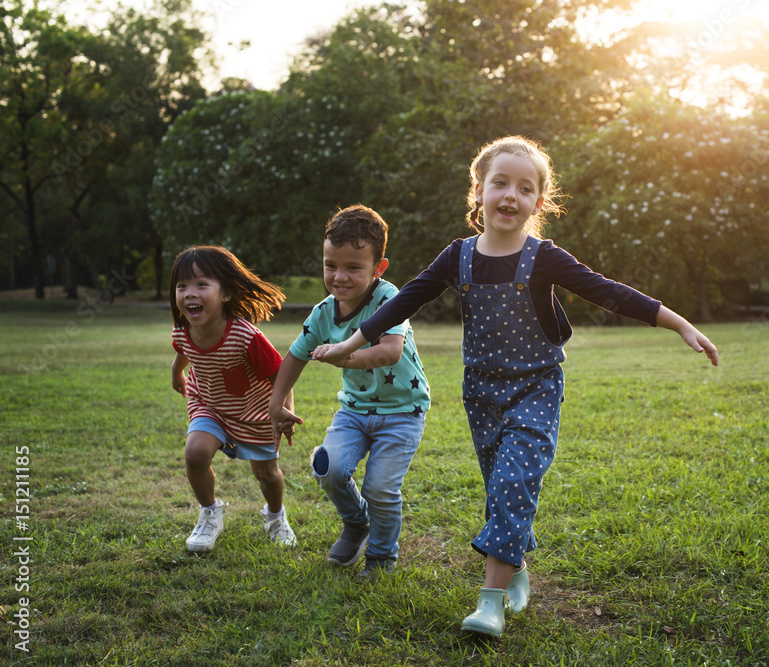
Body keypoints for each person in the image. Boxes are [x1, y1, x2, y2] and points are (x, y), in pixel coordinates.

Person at [316, 136, 719, 637]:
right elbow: (402, 304)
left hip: (536, 388)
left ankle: (490, 603)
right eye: (499, 183)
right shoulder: (457, 257)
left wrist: (678, 322)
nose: (510, 195)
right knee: (500, 488)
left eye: (524, 188)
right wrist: (347, 343)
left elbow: (607, 292)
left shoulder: (543, 257)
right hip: (481, 392)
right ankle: (518, 568)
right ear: (479, 191)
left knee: (513, 482)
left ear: (538, 202)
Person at [268, 205, 430, 579]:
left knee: (380, 488)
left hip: (403, 412)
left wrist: (345, 357)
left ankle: (381, 558)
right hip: (354, 411)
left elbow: (389, 351)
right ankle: (357, 523)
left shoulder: (391, 298)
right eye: (330, 265)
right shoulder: (325, 311)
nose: (339, 277)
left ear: (378, 268)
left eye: (353, 268)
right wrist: (276, 404)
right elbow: (295, 355)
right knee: (328, 467)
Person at [170, 245, 299, 553]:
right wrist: (177, 375)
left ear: (225, 293)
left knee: (266, 473)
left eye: (202, 284)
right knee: (195, 454)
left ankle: (275, 516)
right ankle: (210, 512)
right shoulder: (183, 331)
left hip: (254, 411)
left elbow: (280, 374)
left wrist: (284, 411)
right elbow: (182, 352)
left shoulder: (246, 336)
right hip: (209, 405)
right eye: (181, 285)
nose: (190, 293)